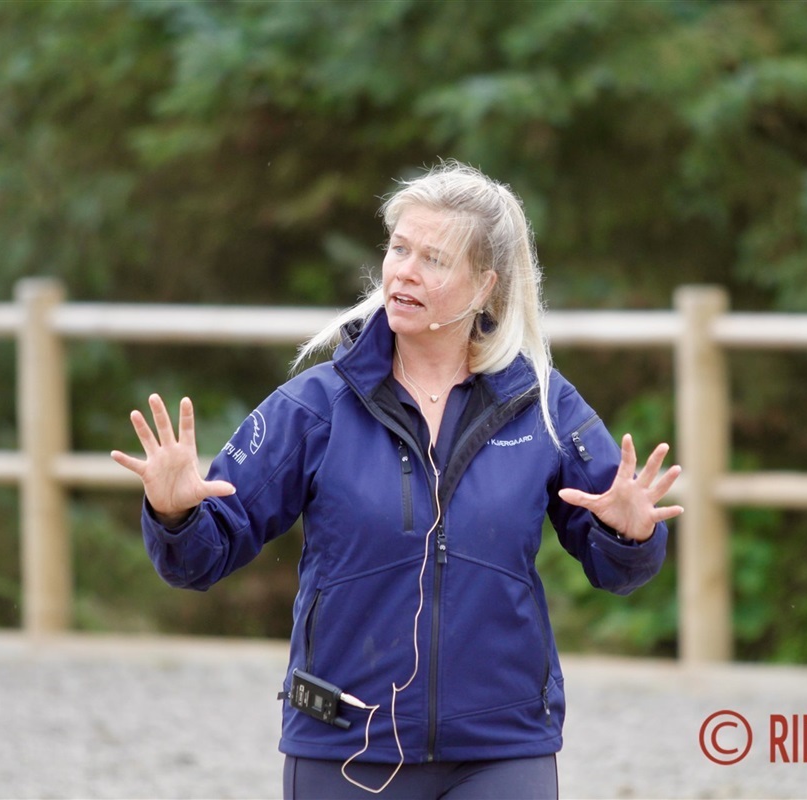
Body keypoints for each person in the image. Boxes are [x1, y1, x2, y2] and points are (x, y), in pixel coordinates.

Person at [110, 161, 683, 799]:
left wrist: (630, 536)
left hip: (504, 745)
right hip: (345, 741)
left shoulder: (545, 406)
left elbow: (619, 570)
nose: (404, 271)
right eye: (399, 248)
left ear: (485, 286)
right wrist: (175, 515)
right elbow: (198, 558)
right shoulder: (315, 407)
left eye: (433, 259)